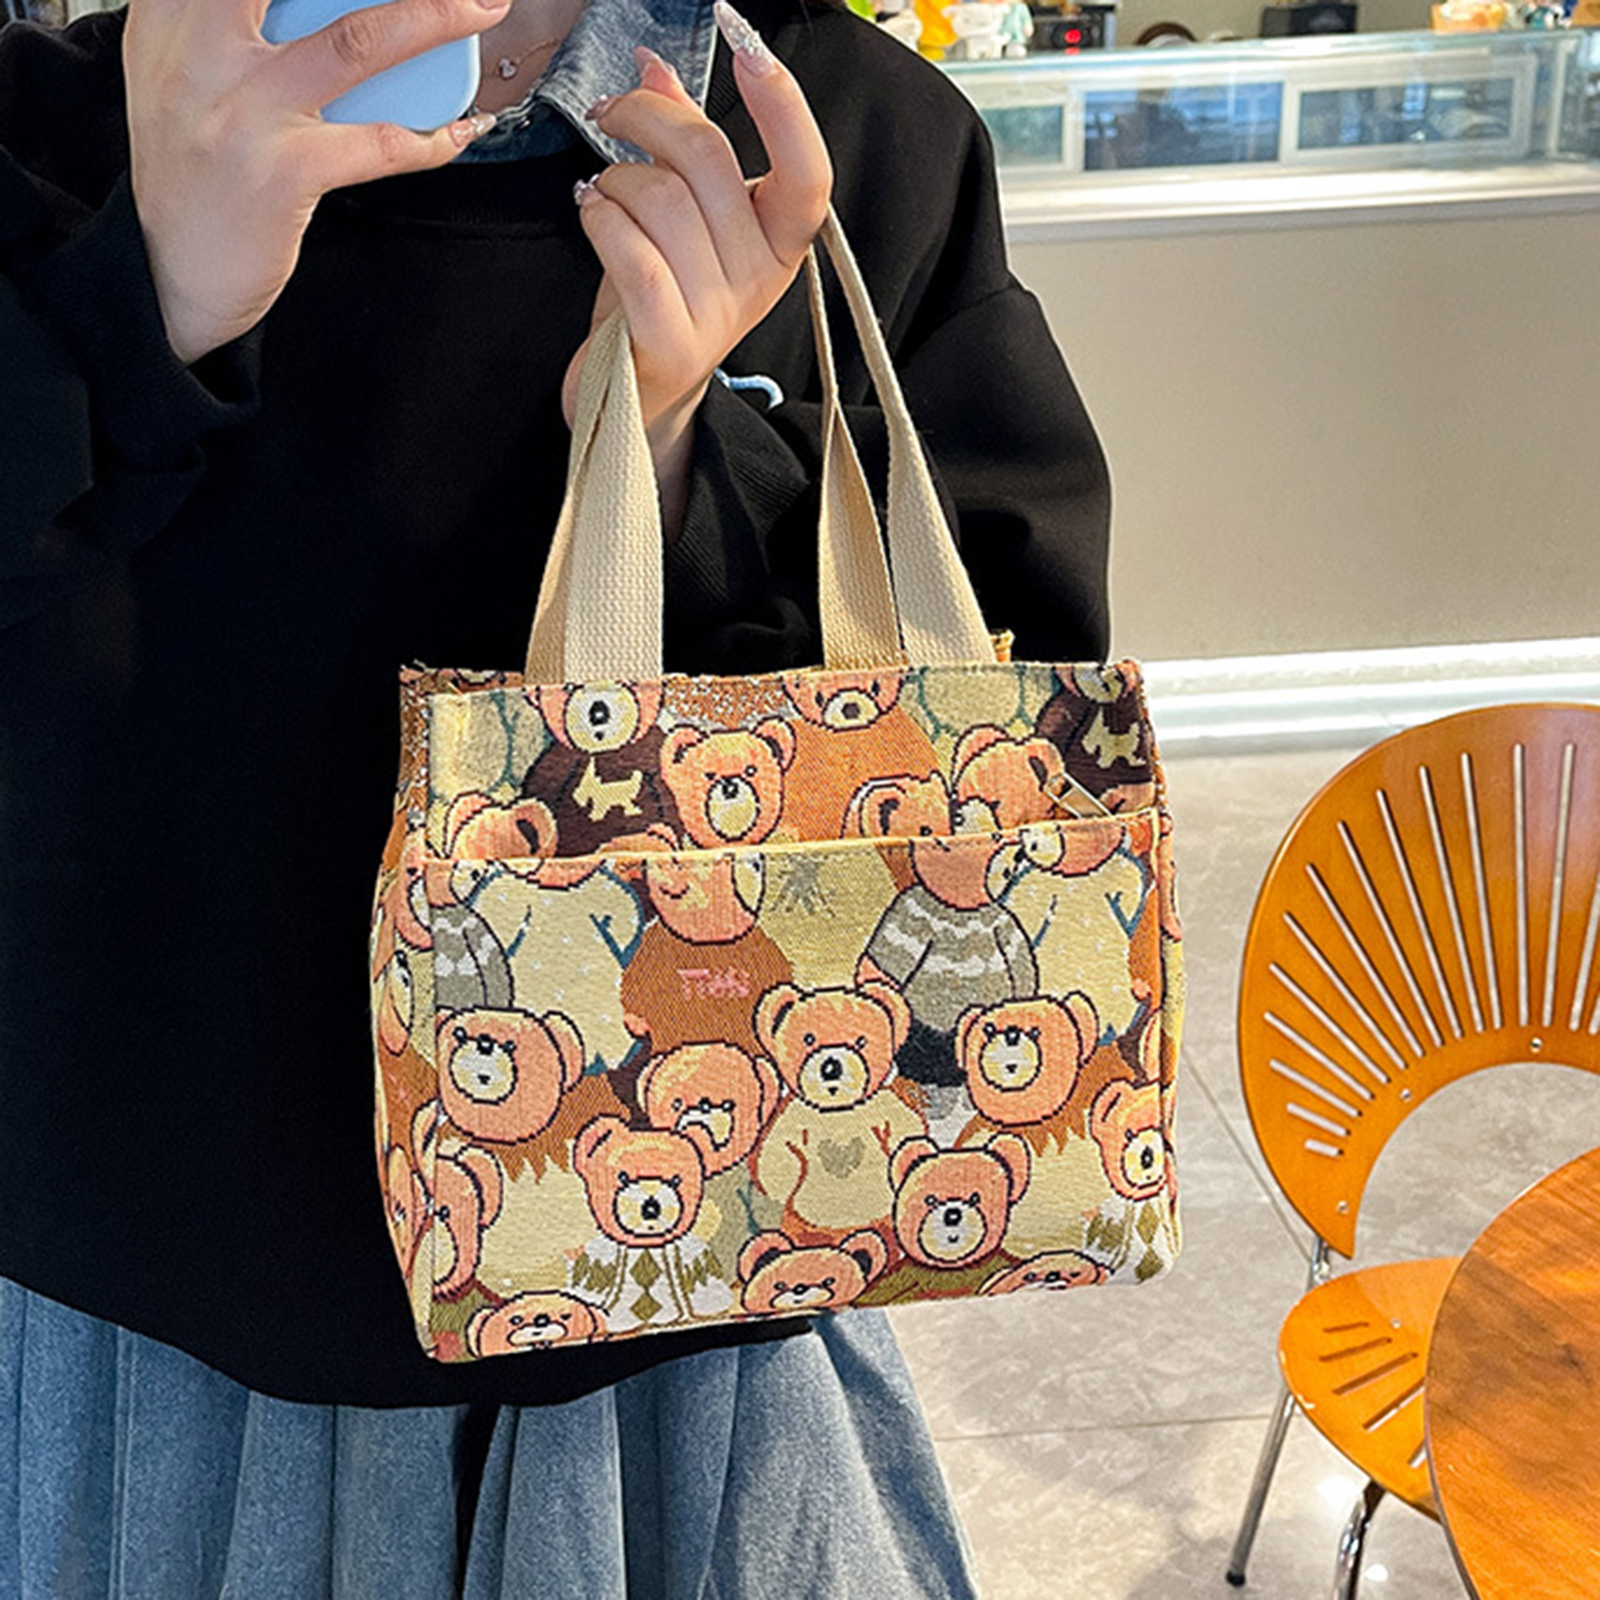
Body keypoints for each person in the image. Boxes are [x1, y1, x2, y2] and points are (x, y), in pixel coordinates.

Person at [0, 0, 1110, 1592]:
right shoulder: (62, 115)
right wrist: (136, 307)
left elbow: (1002, 736)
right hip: (152, 1298)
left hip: (674, 1297)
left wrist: (680, 457)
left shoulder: (830, 128)